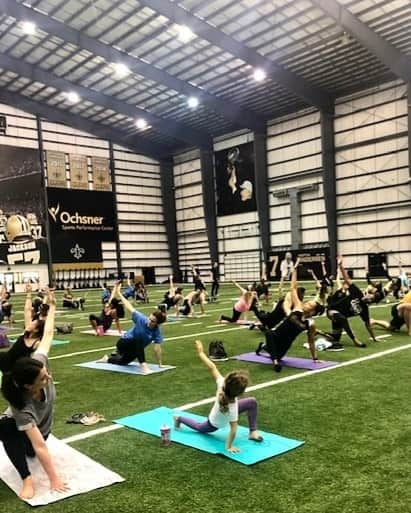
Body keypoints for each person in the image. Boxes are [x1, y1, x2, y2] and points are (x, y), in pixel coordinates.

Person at [0, 289, 68, 500]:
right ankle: (26, 477)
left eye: (45, 374)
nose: (48, 378)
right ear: (29, 387)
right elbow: (38, 445)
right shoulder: (22, 405)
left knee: (31, 450)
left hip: (43, 431)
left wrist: (53, 305)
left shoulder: (39, 360)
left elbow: (48, 334)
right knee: (5, 426)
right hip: (23, 428)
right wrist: (53, 478)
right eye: (43, 379)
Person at [174, 340, 263, 452]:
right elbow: (233, 429)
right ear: (239, 393)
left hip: (222, 413)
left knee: (252, 402)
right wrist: (229, 447)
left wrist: (201, 352)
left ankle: (253, 432)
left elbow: (212, 367)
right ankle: (179, 418)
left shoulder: (222, 383)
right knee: (199, 427)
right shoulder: (233, 408)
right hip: (214, 423)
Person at [256, 260, 323, 372]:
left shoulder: (310, 324)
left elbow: (311, 341)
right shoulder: (297, 308)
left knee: (276, 352)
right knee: (269, 333)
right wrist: (294, 269)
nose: (306, 304)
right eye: (307, 303)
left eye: (309, 305)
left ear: (313, 312)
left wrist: (315, 358)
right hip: (276, 335)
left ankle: (264, 346)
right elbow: (293, 288)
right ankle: (275, 363)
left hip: (285, 345)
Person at [98, 284, 166, 374]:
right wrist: (119, 293)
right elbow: (129, 306)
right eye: (150, 318)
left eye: (152, 321)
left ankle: (106, 359)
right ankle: (144, 366)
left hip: (134, 349)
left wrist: (160, 364)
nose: (149, 321)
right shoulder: (141, 318)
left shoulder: (157, 332)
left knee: (123, 362)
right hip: (124, 342)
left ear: (157, 324)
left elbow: (157, 348)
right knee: (139, 339)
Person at [324, 257, 377, 350]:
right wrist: (340, 265)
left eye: (369, 299)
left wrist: (374, 337)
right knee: (343, 319)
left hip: (339, 317)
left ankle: (317, 332)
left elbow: (368, 324)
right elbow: (347, 279)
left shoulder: (364, 310)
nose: (367, 297)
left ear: (370, 302)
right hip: (332, 310)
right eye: (368, 295)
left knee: (335, 338)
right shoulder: (357, 293)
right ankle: (355, 340)